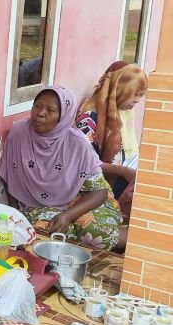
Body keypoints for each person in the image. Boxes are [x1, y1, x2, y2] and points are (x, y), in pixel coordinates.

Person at [0, 86, 123, 251]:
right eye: (37, 106)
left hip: (84, 200)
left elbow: (99, 192)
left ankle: (130, 238)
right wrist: (16, 214)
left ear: (63, 117)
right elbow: (10, 177)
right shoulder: (19, 134)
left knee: (98, 233)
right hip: (38, 204)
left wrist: (67, 215)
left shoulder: (77, 143)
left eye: (50, 110)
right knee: (45, 234)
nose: (40, 113)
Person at [77, 61, 148, 220]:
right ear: (119, 89)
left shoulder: (122, 110)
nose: (137, 100)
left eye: (140, 95)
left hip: (123, 173)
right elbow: (88, 164)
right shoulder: (89, 118)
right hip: (100, 184)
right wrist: (123, 171)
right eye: (135, 94)